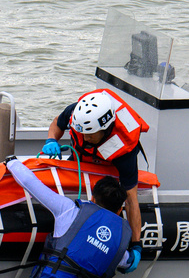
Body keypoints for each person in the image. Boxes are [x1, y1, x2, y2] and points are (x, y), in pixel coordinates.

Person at [0, 158, 140, 278]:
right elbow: (129, 263)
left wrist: (12, 162)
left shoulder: (69, 211)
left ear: (93, 199)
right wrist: (137, 250)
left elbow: (30, 183)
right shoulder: (120, 245)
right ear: (119, 211)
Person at [41, 89, 147, 264]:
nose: (85, 138)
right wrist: (51, 140)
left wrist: (136, 245)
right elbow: (57, 123)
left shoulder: (125, 149)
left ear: (105, 129)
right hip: (79, 159)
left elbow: (130, 199)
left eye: (90, 134)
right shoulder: (77, 112)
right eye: (82, 133)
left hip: (107, 169)